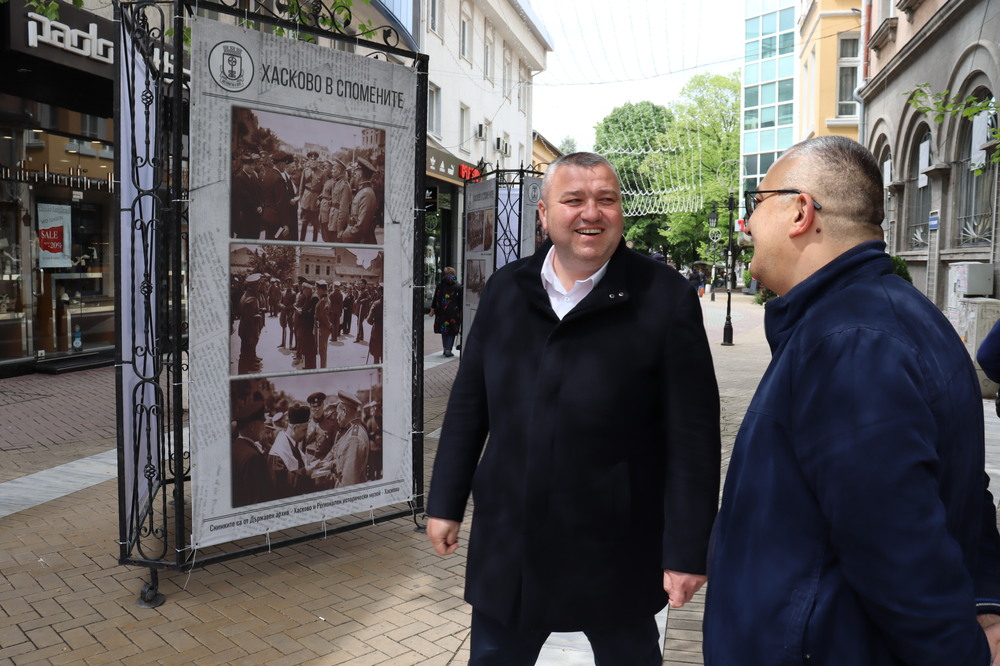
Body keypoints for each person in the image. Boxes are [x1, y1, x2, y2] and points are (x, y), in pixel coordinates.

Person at [702, 135, 1000, 665]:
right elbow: (960, 490)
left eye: (757, 203)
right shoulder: (885, 317)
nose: (746, 225)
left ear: (800, 211)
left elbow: (898, 549)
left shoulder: (852, 341)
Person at [426, 152, 721, 665]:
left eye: (606, 199)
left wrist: (687, 550)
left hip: (618, 544)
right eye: (574, 200)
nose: (591, 213)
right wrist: (445, 502)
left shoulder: (664, 296)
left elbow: (694, 436)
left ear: (621, 211)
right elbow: (469, 404)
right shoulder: (506, 289)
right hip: (512, 542)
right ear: (544, 214)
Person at [230, 397, 272, 507]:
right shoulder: (252, 457)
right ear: (252, 427)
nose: (264, 427)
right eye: (262, 423)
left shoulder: (236, 446)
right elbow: (256, 498)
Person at [326, 390, 370, 488]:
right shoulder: (354, 430)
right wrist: (331, 464)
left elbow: (348, 481)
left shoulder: (353, 438)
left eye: (338, 413)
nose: (337, 417)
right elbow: (344, 461)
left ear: (344, 411)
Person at [260, 150, 297, 240]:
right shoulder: (279, 179)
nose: (285, 167)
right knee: (277, 242)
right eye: (285, 164)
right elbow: (281, 203)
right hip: (276, 219)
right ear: (280, 164)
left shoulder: (267, 174)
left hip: (267, 216)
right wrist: (285, 224)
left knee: (269, 241)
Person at [343, 158, 379, 244]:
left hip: (362, 241)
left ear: (360, 174)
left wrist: (346, 235)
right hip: (358, 239)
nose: (354, 174)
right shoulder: (363, 191)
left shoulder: (366, 194)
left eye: (356, 172)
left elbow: (361, 226)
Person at [428, 267, 462, 357]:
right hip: (454, 312)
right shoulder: (458, 286)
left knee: (444, 329)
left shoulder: (440, 285)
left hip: (441, 311)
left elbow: (435, 298)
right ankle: (448, 349)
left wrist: (432, 309)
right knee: (452, 330)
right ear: (454, 274)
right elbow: (460, 301)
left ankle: (445, 348)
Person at [236, 273, 264, 375]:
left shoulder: (247, 295)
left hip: (246, 330)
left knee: (246, 352)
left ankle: (247, 367)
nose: (259, 286)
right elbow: (249, 319)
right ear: (253, 286)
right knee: (245, 354)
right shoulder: (251, 299)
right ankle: (242, 373)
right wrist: (257, 316)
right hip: (249, 332)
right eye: (258, 284)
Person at [297, 150, 324, 242]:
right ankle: (301, 242)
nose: (313, 161)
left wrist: (319, 199)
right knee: (304, 223)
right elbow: (301, 186)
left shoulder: (321, 173)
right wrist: (301, 198)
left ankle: (314, 243)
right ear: (309, 160)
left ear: (317, 161)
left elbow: (323, 189)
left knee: (316, 225)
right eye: (311, 159)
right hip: (306, 199)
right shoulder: (305, 171)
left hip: (315, 200)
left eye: (315, 159)